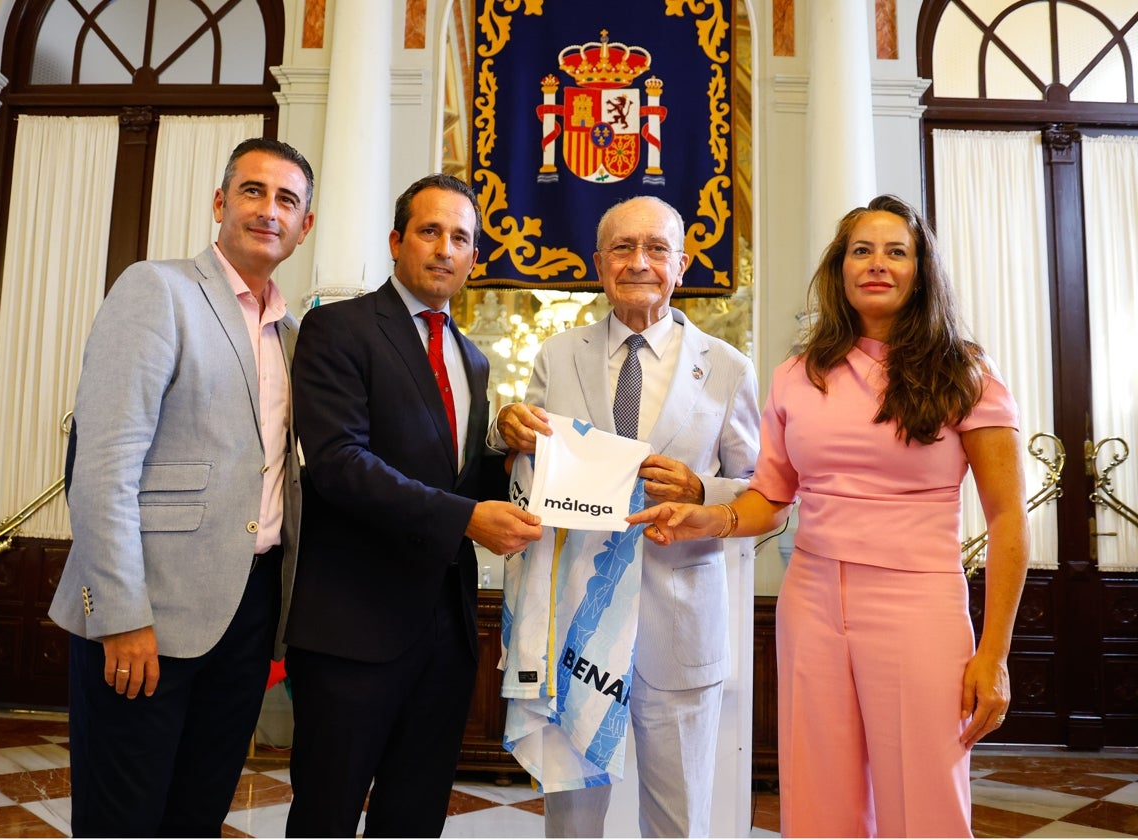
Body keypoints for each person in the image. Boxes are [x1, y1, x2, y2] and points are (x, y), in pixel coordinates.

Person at [630, 194, 1030, 837]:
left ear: (921, 271)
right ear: (839, 270)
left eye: (896, 252)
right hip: (811, 601)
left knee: (923, 797)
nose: (877, 264)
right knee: (819, 797)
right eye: (861, 251)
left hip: (918, 603)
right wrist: (712, 517)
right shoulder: (798, 373)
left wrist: (996, 653)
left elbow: (1009, 519)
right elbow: (771, 494)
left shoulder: (966, 372)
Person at [49, 137, 315, 836]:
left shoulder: (291, 335)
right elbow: (103, 465)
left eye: (287, 199)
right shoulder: (157, 289)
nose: (268, 210)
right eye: (253, 191)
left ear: (304, 226)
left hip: (246, 612)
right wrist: (121, 613)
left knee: (196, 814)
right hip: (149, 612)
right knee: (123, 820)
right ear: (221, 202)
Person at [283, 173, 544, 837]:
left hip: (445, 634)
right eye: (430, 231)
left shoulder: (473, 359)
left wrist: (514, 461)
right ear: (398, 240)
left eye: (461, 238)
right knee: (326, 816)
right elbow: (340, 465)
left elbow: (456, 479)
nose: (445, 249)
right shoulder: (337, 328)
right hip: (351, 630)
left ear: (475, 257)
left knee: (414, 817)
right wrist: (466, 520)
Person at [492, 195, 761, 837]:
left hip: (678, 623)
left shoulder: (726, 368)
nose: (639, 262)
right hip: (574, 625)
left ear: (682, 263)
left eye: (656, 248)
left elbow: (764, 498)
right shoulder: (556, 356)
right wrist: (506, 432)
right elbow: (524, 459)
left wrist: (703, 489)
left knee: (677, 818)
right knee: (573, 820)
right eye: (622, 247)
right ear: (598, 262)